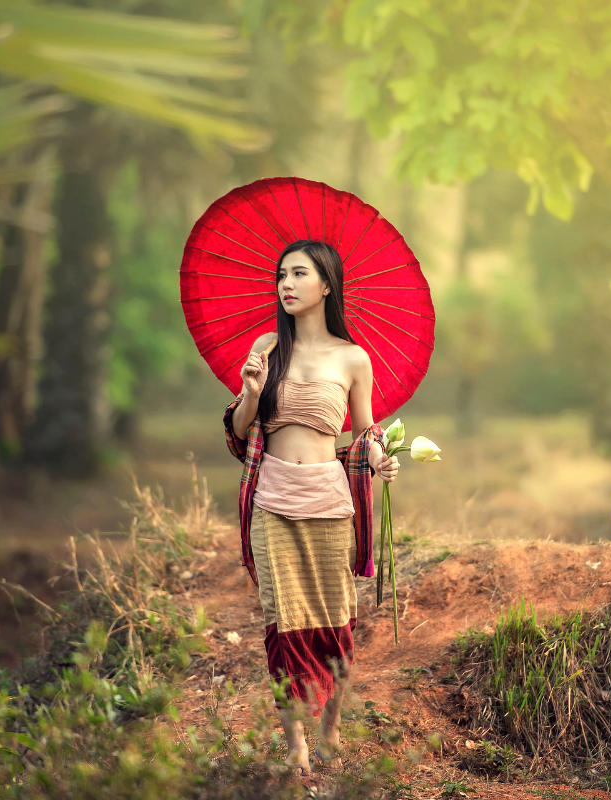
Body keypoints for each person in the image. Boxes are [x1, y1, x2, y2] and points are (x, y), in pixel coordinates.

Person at [223, 239, 399, 775]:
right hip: (271, 502)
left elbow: (365, 431)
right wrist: (252, 394)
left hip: (329, 502)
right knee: (283, 622)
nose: (286, 284)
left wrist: (380, 456)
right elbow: (236, 432)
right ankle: (295, 739)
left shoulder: (352, 357)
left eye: (299, 274)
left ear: (327, 284)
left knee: (333, 622)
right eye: (281, 275)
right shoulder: (266, 346)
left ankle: (331, 726)